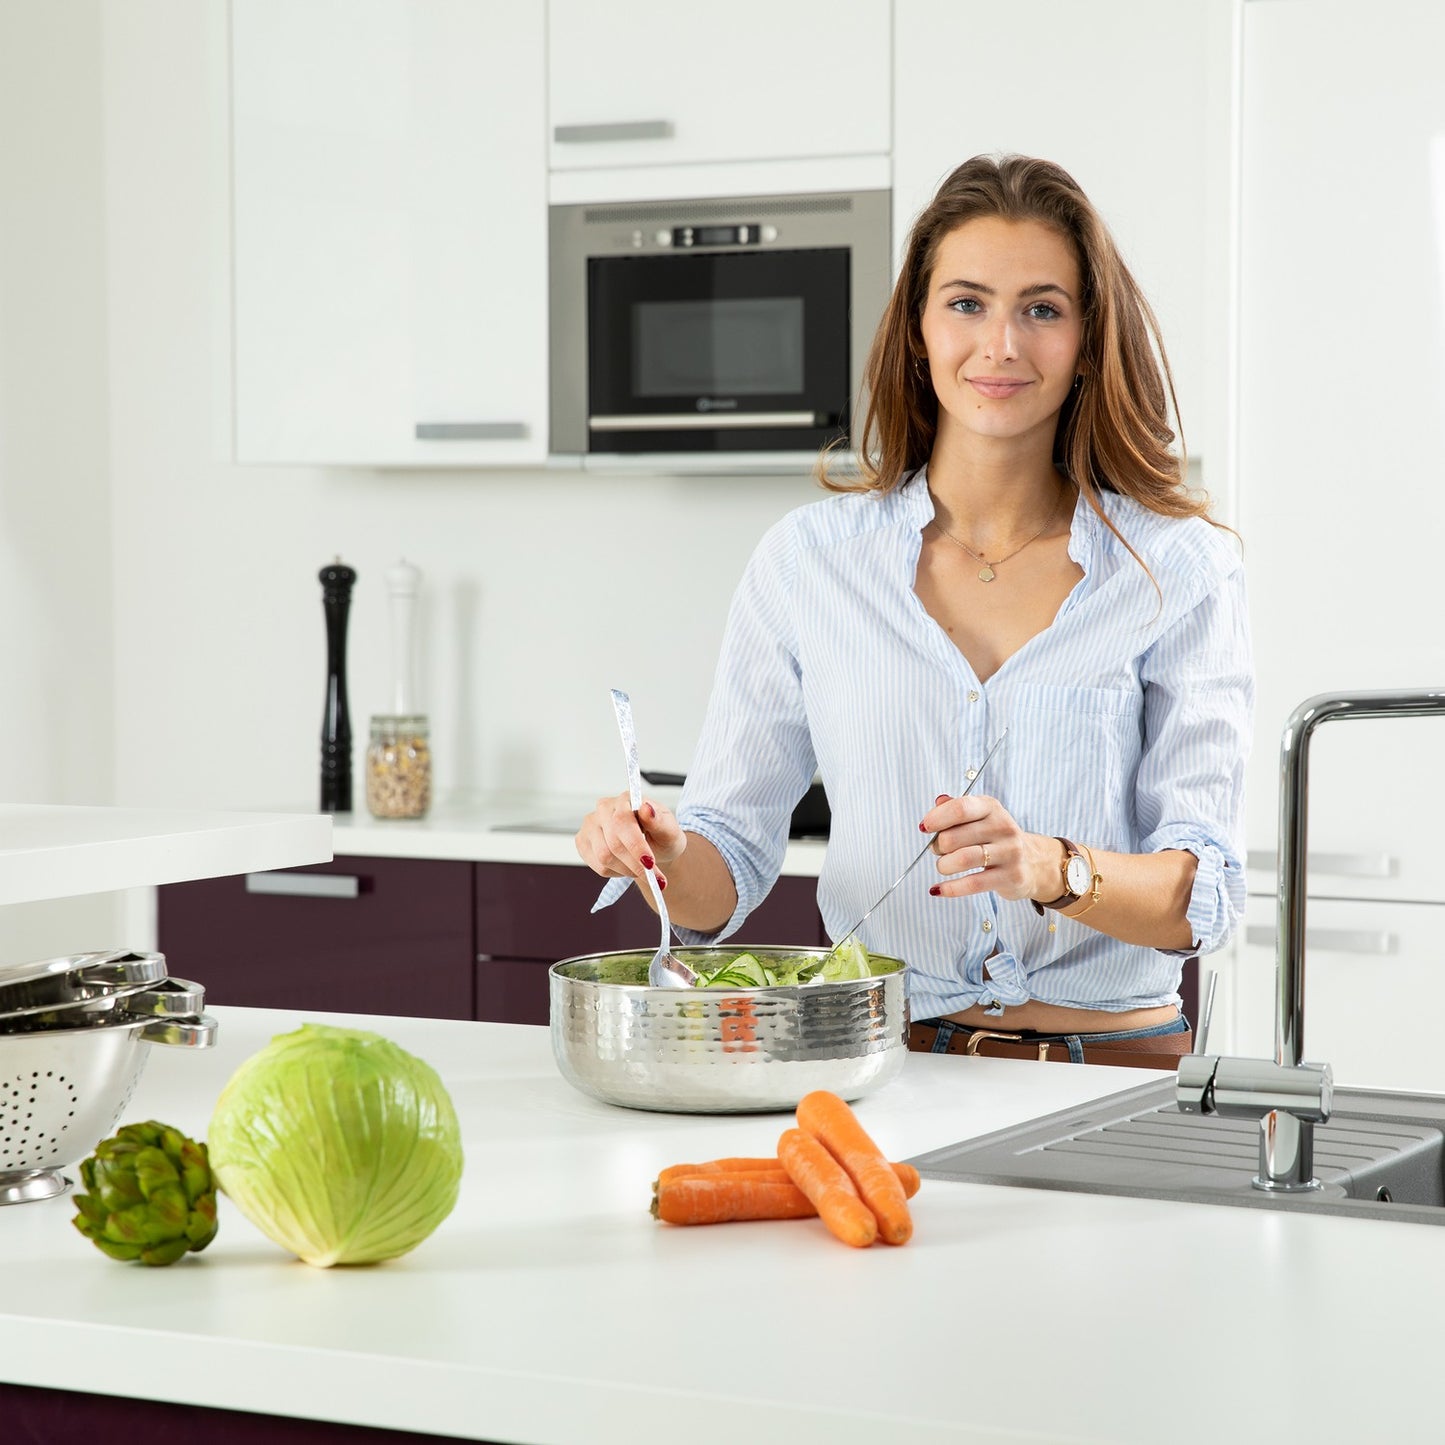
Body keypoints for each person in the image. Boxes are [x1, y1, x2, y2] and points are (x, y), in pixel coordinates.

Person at [576, 154, 1252, 1068]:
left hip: (1111, 1072)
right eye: (966, 303)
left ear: (1089, 339)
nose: (1001, 345)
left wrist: (1055, 869)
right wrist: (656, 850)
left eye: (1041, 309)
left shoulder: (1176, 566)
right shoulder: (809, 562)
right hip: (883, 1072)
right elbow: (724, 871)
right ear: (918, 331)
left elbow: (1201, 891)